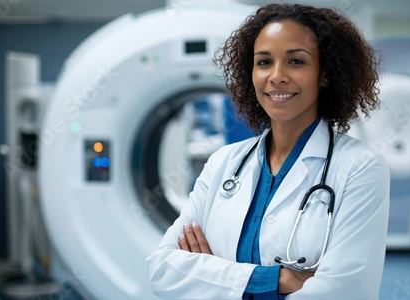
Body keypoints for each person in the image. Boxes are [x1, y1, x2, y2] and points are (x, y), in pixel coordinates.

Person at [146, 3, 389, 299]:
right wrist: (278, 279)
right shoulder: (224, 163)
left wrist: (214, 276)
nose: (276, 76)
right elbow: (163, 269)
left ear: (325, 73)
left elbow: (345, 291)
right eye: (263, 62)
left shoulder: (360, 168)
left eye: (296, 62)